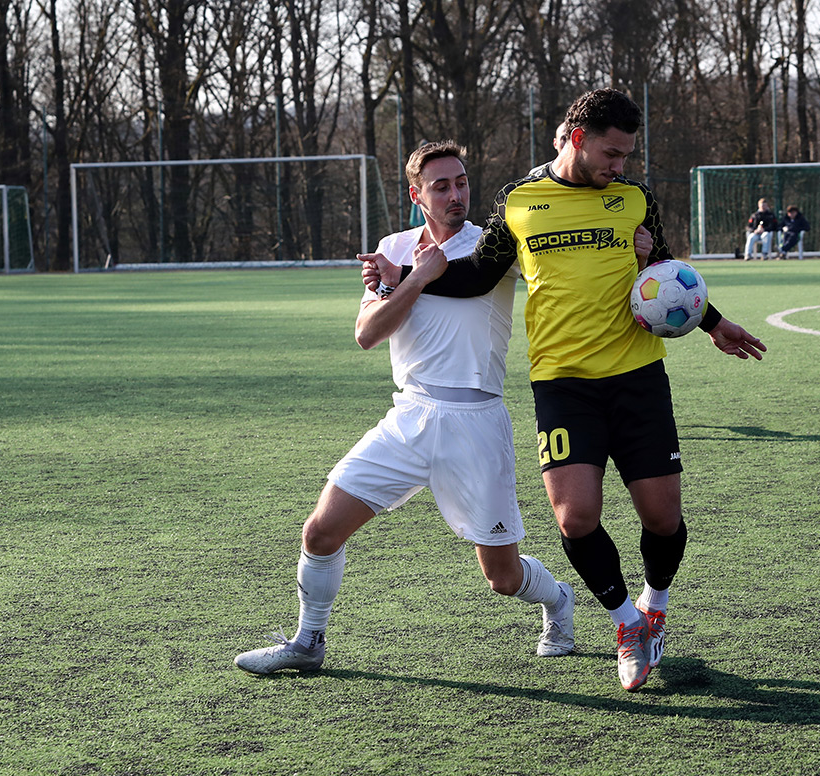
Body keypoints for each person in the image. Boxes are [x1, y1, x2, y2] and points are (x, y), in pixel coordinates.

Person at [365, 88, 766, 693]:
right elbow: (478, 275)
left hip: (637, 378)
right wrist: (405, 276)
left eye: (626, 155)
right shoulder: (520, 201)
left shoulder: (635, 199)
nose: (619, 165)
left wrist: (713, 322)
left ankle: (655, 603)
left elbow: (665, 277)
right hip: (562, 384)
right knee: (576, 519)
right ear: (578, 139)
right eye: (611, 153)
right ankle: (627, 622)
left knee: (662, 518)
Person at [234, 141, 576, 675]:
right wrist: (413, 276)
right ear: (416, 196)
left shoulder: (493, 246)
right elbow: (367, 334)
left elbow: (562, 266)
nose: (456, 194)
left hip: (476, 424)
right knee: (320, 531)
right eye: (441, 186)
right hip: (409, 417)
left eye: (461, 182)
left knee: (503, 578)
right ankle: (307, 641)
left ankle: (558, 598)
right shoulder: (393, 247)